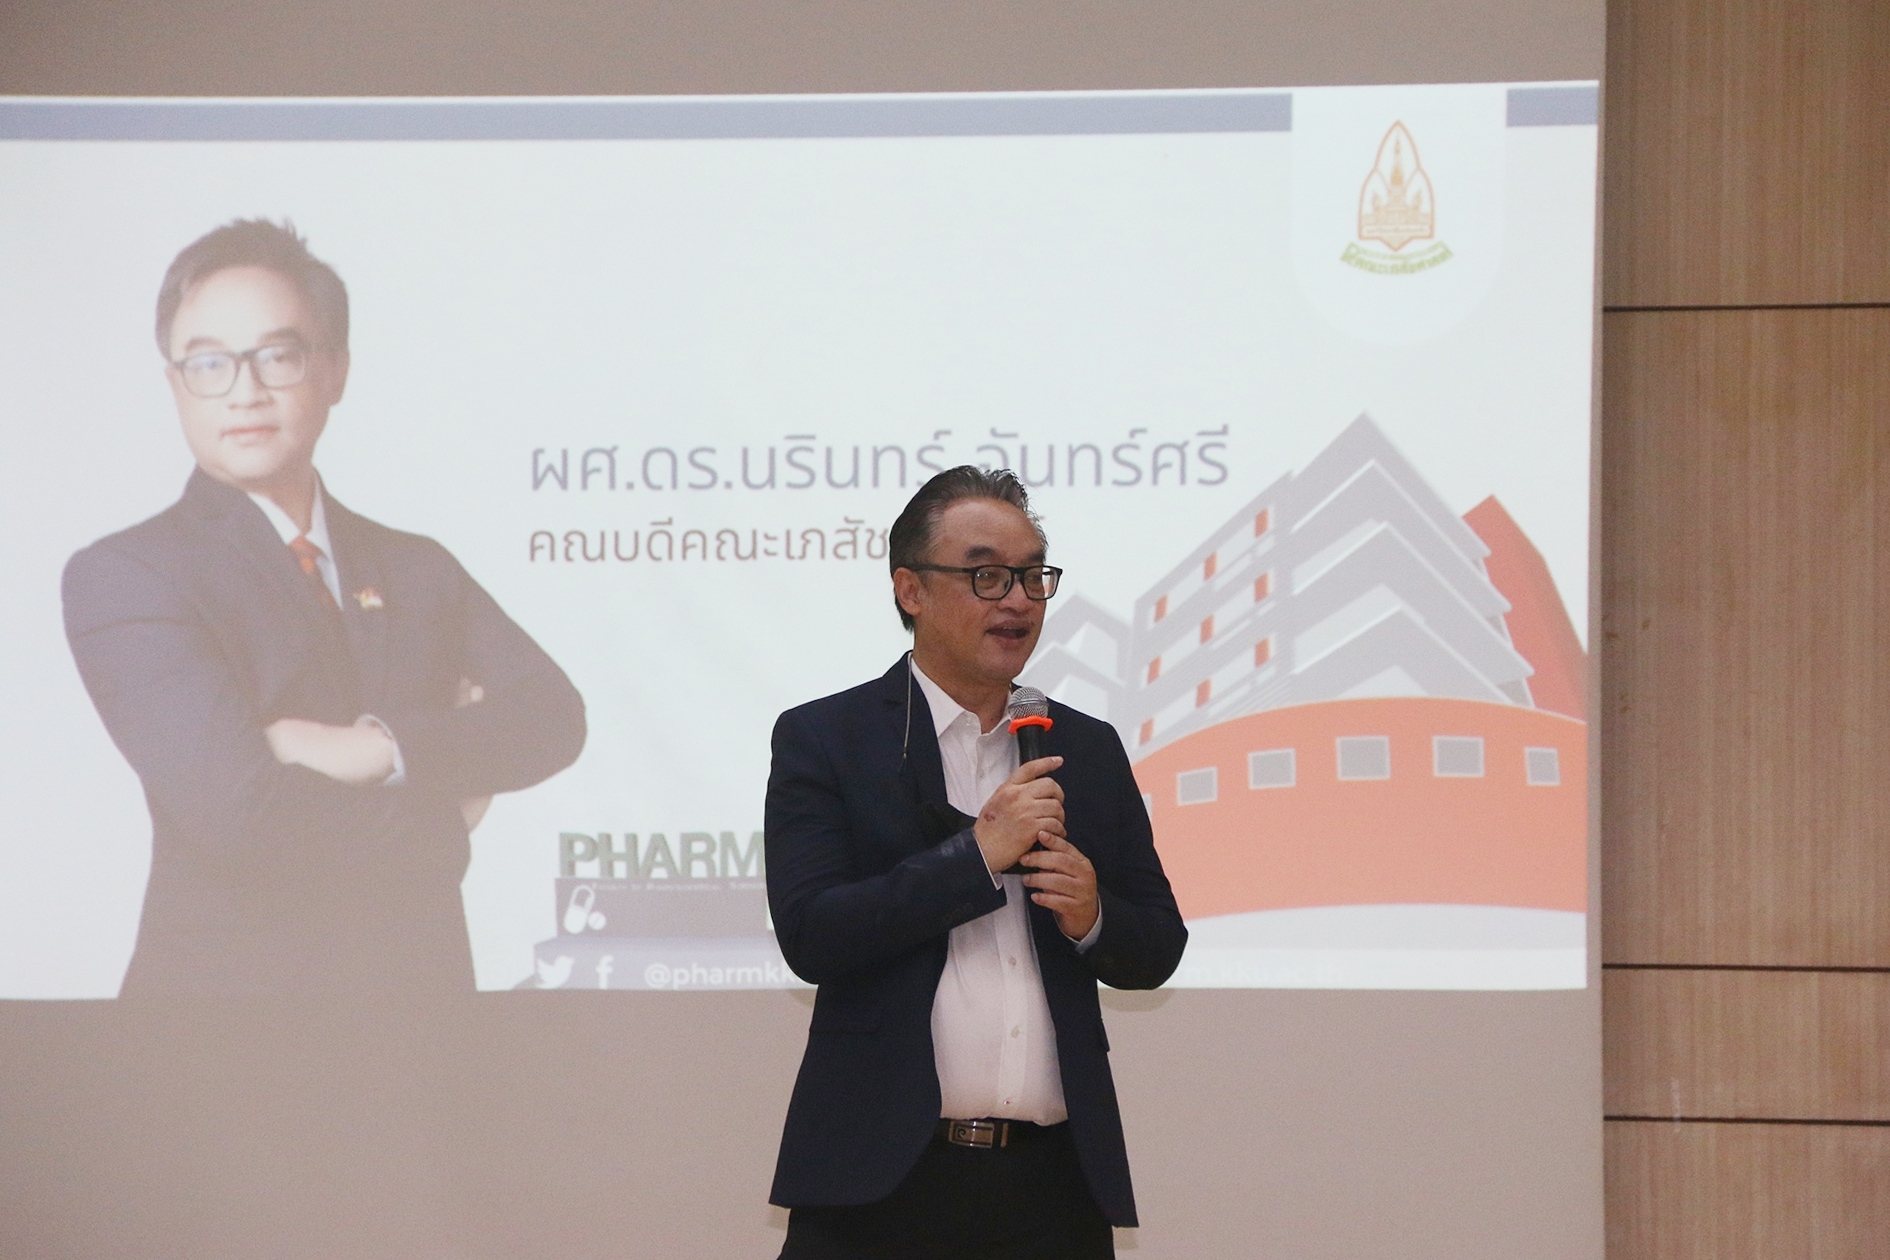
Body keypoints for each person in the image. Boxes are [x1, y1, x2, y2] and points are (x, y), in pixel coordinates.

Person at [62, 219, 587, 998]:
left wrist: (380, 748)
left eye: (277, 356)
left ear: (335, 369)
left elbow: (552, 716)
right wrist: (447, 821)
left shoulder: (417, 566)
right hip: (222, 1027)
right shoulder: (130, 575)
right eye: (208, 363)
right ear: (175, 384)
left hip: (422, 1015)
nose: (244, 391)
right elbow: (242, 817)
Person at [765, 467, 1187, 1259]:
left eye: (1033, 576)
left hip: (1052, 1192)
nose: (1018, 600)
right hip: (878, 1190)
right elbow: (813, 934)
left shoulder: (1085, 746)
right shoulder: (829, 738)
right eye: (986, 575)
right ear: (911, 590)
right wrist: (977, 858)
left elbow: (1158, 947)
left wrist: (1093, 915)